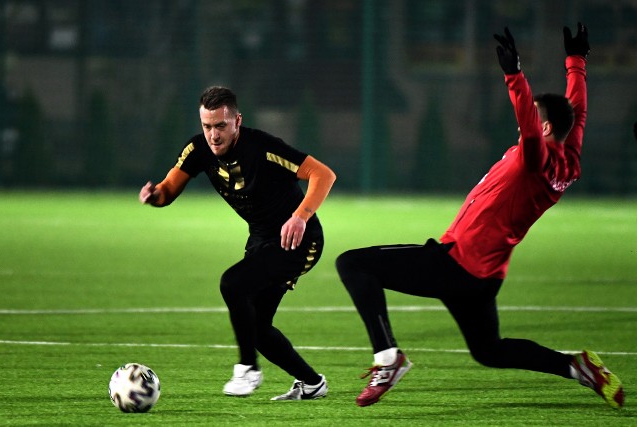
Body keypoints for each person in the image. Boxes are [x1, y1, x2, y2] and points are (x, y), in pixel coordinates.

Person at [336, 24, 625, 409]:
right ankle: (578, 368)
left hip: (457, 263)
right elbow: (578, 114)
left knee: (353, 264)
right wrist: (576, 62)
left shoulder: (534, 160)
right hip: (484, 275)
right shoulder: (568, 160)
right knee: (489, 351)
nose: (527, 126)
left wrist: (514, 76)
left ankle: (388, 359)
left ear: (545, 128)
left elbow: (532, 122)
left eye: (535, 122)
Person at [139, 86, 336, 400]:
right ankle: (312, 383)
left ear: (237, 121)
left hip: (299, 240)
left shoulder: (262, 147)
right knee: (257, 327)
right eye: (207, 127)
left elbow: (323, 175)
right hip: (261, 241)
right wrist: (155, 196)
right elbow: (168, 189)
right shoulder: (198, 149)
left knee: (232, 284)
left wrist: (301, 216)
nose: (213, 135)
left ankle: (247, 368)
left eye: (220, 126)